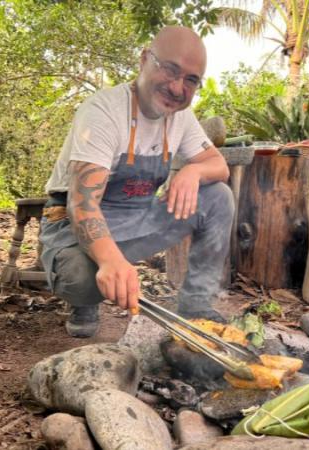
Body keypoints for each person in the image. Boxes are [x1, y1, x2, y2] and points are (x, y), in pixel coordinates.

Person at [39, 26, 234, 338]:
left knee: (218, 197)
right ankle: (84, 300)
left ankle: (196, 305)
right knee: (80, 278)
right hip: (73, 226)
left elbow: (218, 165)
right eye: (170, 69)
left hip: (138, 221)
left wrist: (191, 172)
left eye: (190, 80)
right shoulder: (103, 110)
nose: (176, 87)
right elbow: (82, 205)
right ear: (145, 60)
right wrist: (111, 262)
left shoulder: (181, 118)